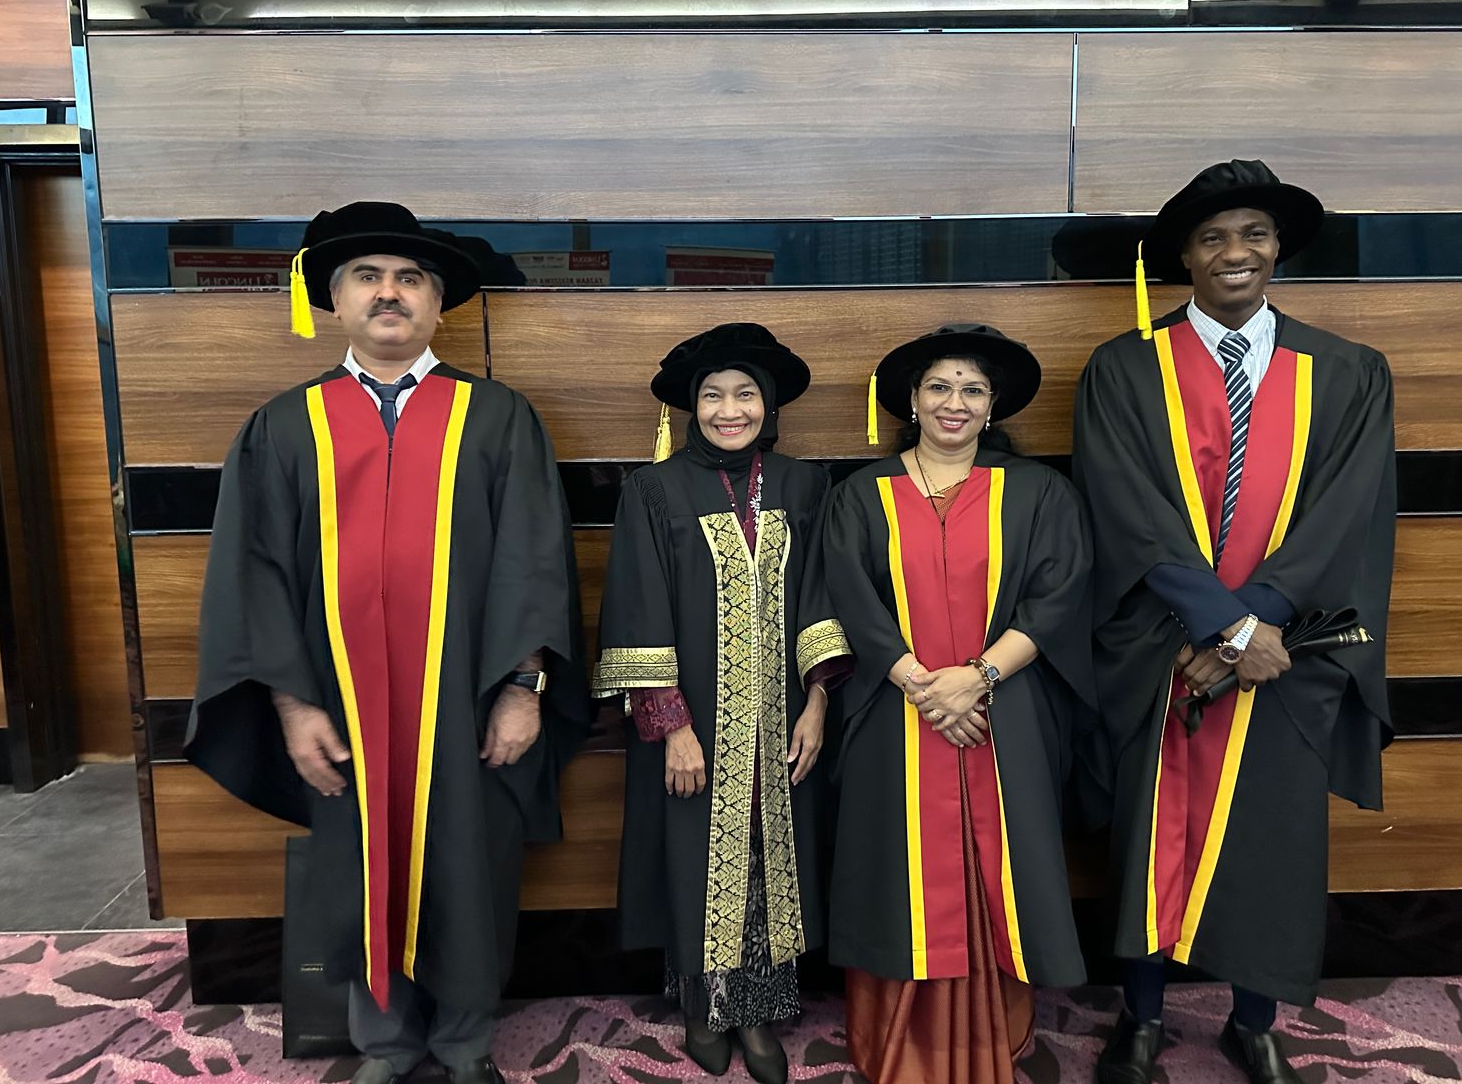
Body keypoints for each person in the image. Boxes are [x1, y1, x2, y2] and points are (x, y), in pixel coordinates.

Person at [185, 201, 589, 1084]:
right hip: (340, 704)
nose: (389, 293)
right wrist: (292, 705)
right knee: (356, 863)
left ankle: (466, 1043)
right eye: (366, 277)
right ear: (333, 300)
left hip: (466, 698)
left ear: (438, 304)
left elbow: (533, 559)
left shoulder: (495, 417)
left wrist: (523, 687)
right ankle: (385, 1044)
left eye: (410, 278)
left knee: (471, 864)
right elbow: (255, 574)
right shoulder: (286, 426)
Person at [1071, 160, 1396, 1084]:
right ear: (1184, 255)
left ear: (1279, 246)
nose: (1235, 251)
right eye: (1212, 237)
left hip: (1290, 649)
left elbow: (1345, 515)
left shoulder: (1348, 372)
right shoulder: (1126, 369)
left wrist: (1257, 627)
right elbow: (1127, 509)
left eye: (1253, 233)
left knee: (1273, 842)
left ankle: (1254, 1021)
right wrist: (1225, 629)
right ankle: (1141, 1016)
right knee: (1150, 835)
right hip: (1161, 646)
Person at [819, 323, 1094, 1084]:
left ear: (992, 404)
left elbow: (1059, 594)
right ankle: (897, 1040)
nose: (955, 402)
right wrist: (922, 684)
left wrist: (978, 677)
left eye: (973, 389)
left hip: (1006, 711)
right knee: (897, 869)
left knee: (1000, 861)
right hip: (893, 713)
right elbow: (848, 596)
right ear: (911, 399)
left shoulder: (1039, 492)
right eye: (939, 386)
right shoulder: (860, 496)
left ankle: (994, 1035)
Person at [594, 323, 851, 1084]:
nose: (728, 410)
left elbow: (823, 595)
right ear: (691, 407)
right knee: (695, 857)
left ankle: (759, 1011)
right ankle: (705, 1007)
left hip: (782, 720)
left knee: (772, 860)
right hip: (696, 721)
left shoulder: (805, 487)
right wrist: (672, 726)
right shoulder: (654, 490)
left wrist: (817, 704)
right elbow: (638, 606)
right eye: (712, 396)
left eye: (745, 395)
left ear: (768, 405)